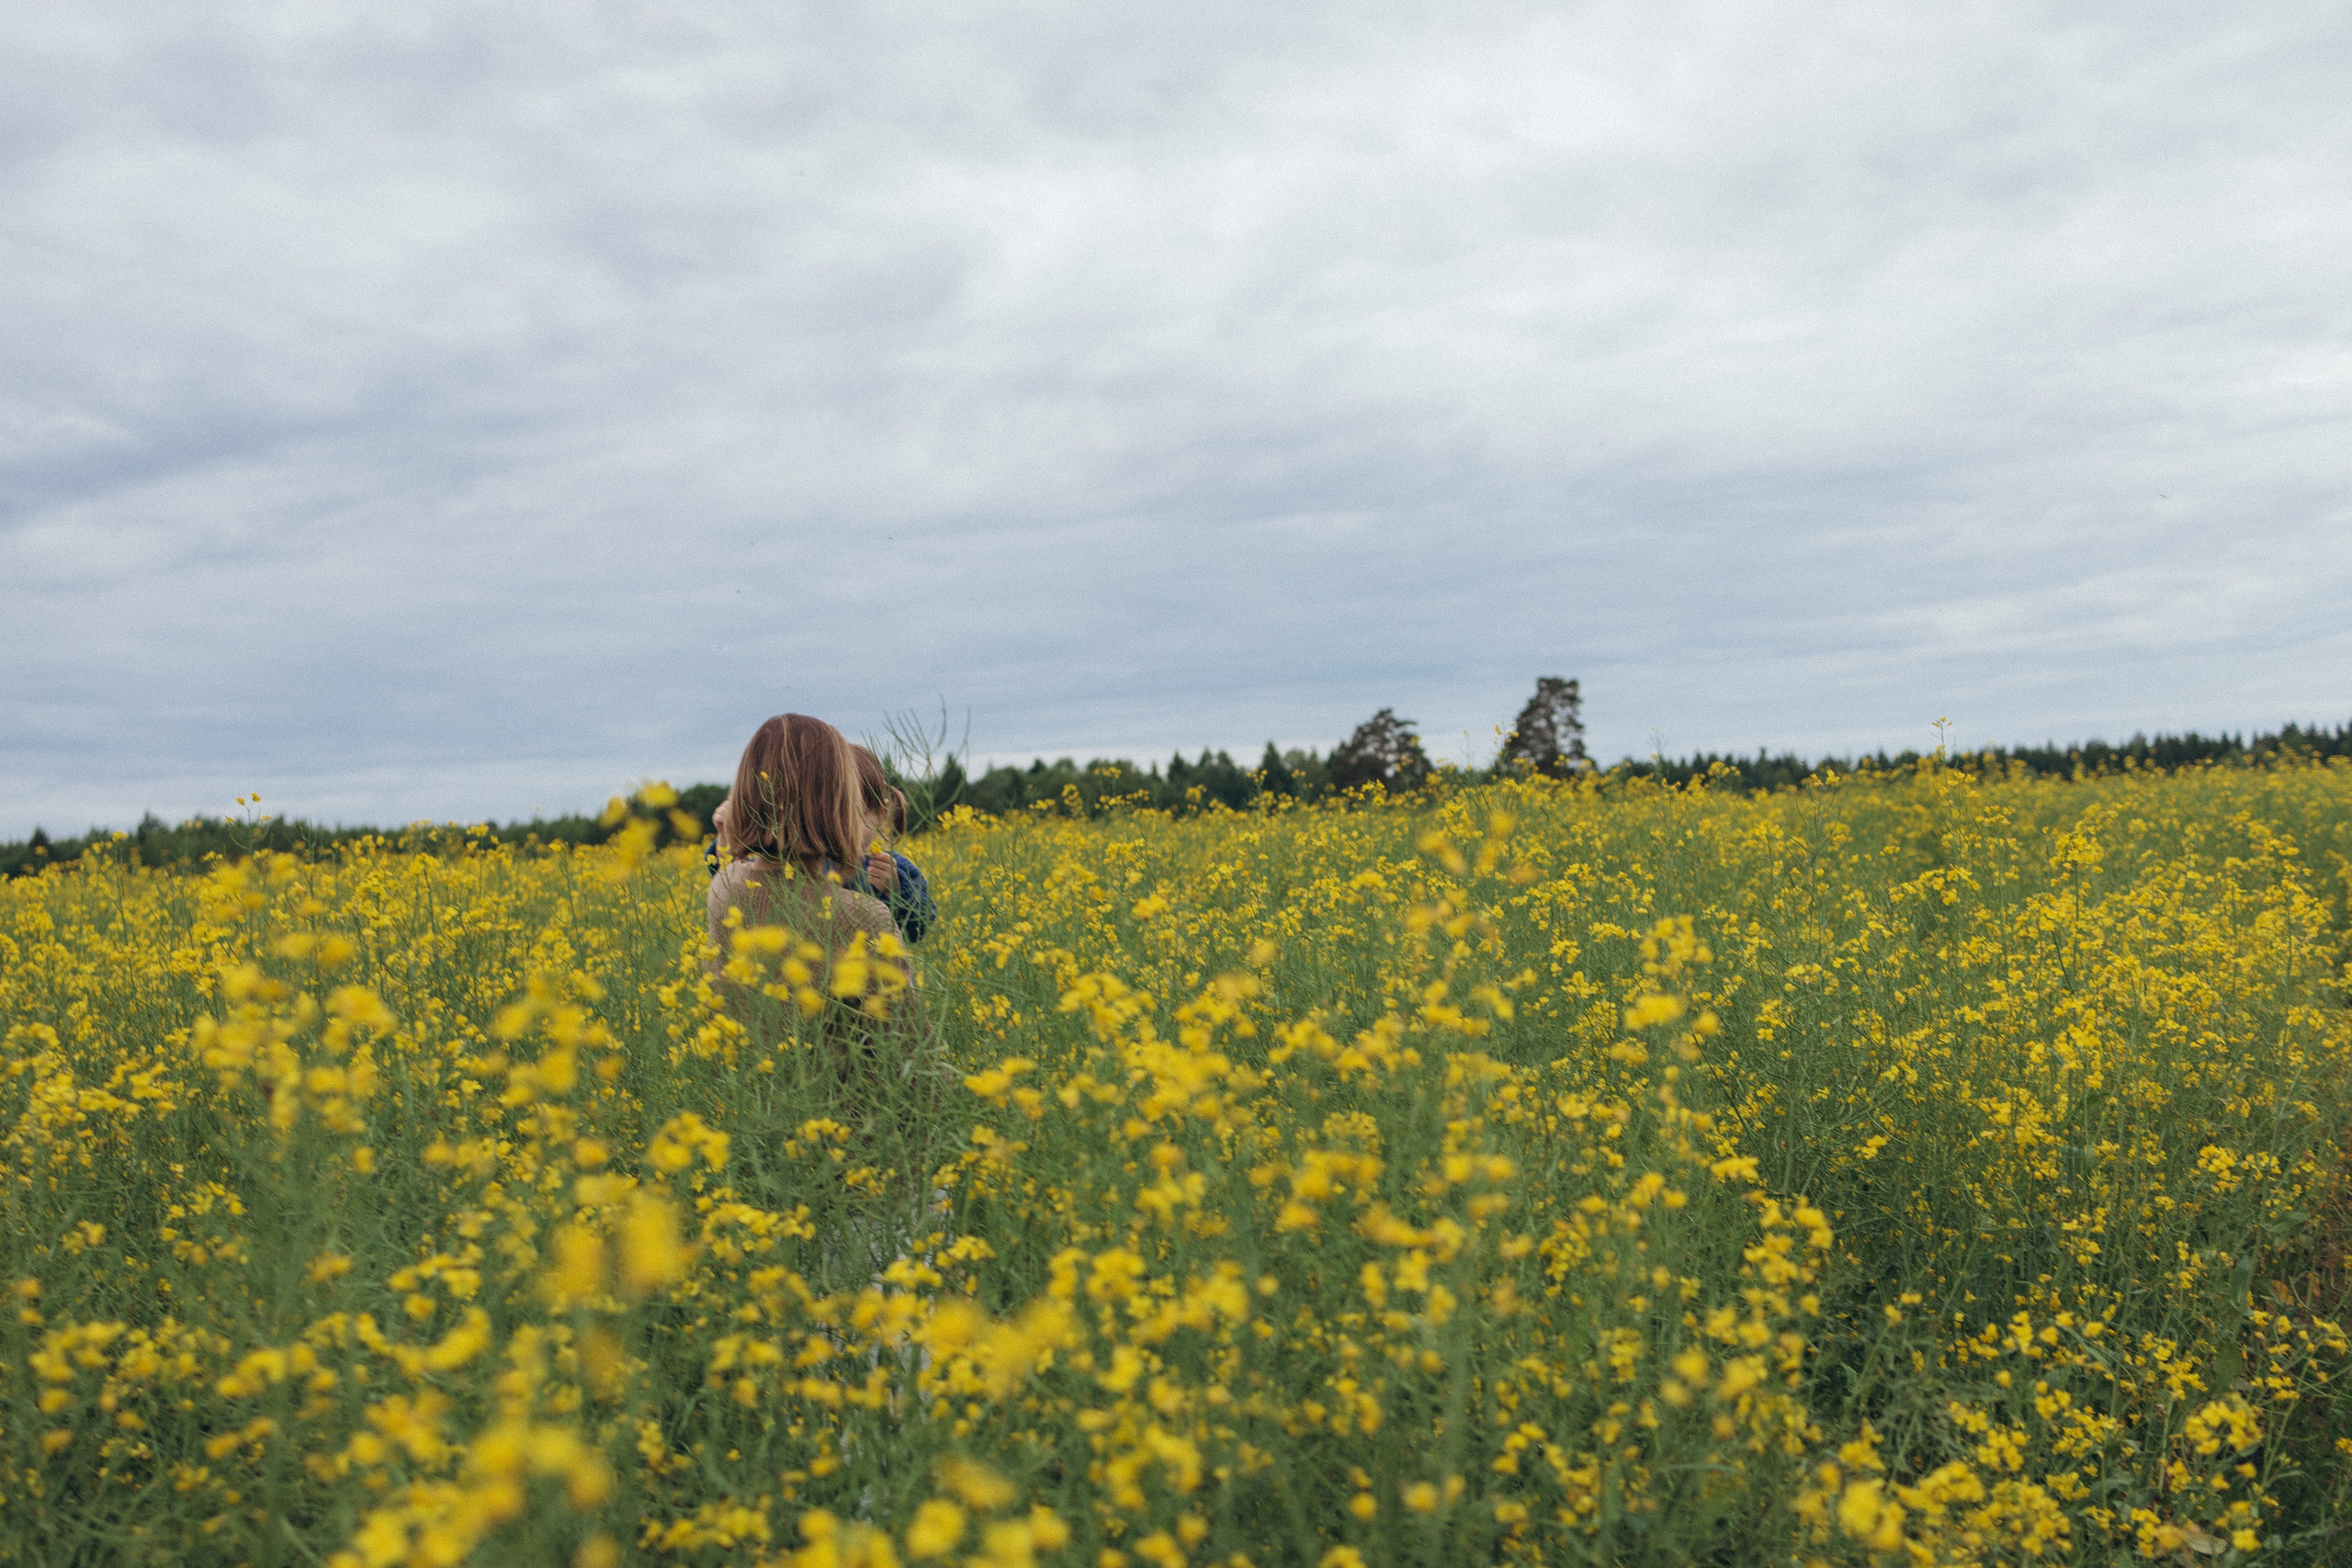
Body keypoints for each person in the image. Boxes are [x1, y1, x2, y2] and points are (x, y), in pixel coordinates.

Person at [706, 714, 898, 967]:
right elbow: (900, 1008)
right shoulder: (866, 921)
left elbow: (730, 867)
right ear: (838, 809)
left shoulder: (724, 886)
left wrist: (730, 835)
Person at [851, 746, 939, 943]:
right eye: (838, 814)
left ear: (882, 813)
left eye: (859, 814)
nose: (846, 825)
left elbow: (918, 928)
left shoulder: (898, 868)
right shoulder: (811, 867)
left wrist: (895, 891)